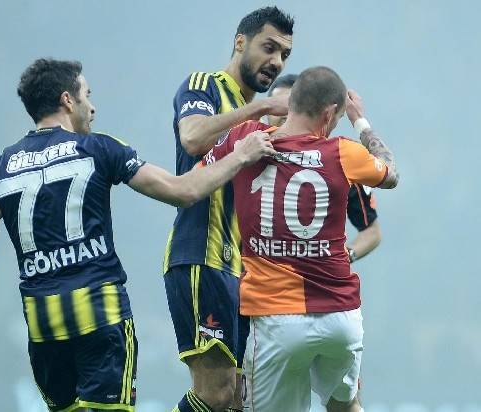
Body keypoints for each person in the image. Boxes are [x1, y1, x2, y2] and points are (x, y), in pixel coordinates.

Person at [0, 58, 275, 412]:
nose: (92, 107)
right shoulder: (98, 148)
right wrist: (241, 156)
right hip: (100, 316)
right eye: (86, 95)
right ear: (67, 100)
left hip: (43, 326)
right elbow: (183, 191)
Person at [202, 66, 399, 412]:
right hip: (341, 317)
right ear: (329, 113)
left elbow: (197, 175)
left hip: (275, 318)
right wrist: (360, 122)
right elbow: (391, 173)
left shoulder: (246, 138)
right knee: (346, 406)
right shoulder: (344, 152)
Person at [164, 7, 294, 411]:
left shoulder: (265, 124)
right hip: (201, 254)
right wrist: (258, 109)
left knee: (236, 399)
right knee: (216, 393)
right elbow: (192, 137)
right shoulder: (204, 85)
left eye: (284, 55)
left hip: (240, 270)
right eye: (269, 48)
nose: (276, 61)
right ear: (241, 42)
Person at [267, 74, 382, 262]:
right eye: (278, 105)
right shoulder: (247, 151)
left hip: (314, 277)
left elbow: (372, 231)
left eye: (293, 105)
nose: (285, 113)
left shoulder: (340, 161)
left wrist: (341, 259)